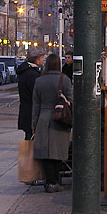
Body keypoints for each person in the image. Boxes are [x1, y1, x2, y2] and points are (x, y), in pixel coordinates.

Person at [31, 53, 73, 192]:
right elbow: (71, 100)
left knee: (45, 151)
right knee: (59, 151)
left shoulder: (39, 81)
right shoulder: (65, 80)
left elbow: (35, 105)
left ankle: (49, 181)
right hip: (60, 118)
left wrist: (34, 124)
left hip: (43, 118)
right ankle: (55, 180)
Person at [16, 49, 45, 140]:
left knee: (29, 137)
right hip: (31, 111)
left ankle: (28, 153)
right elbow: (36, 93)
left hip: (26, 110)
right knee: (31, 138)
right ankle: (29, 154)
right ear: (37, 60)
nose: (43, 61)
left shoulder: (26, 72)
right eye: (42, 59)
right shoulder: (32, 75)